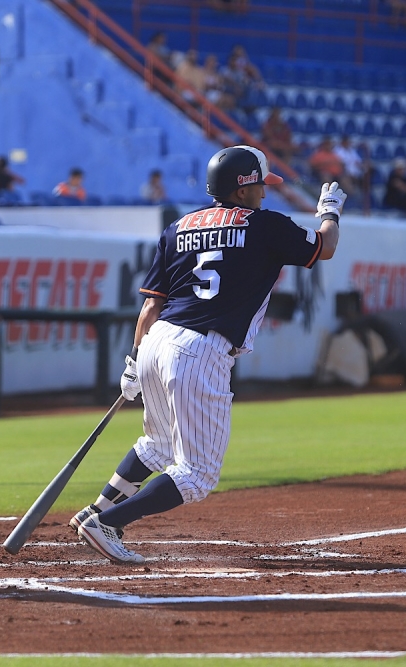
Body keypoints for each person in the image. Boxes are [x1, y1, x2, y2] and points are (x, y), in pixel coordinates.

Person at [69, 145, 342, 564]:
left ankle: (98, 510)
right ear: (242, 187)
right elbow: (323, 248)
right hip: (200, 348)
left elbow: (150, 307)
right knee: (197, 475)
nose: (265, 194)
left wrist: (134, 359)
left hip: (156, 339)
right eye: (260, 186)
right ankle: (107, 523)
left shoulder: (179, 227)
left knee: (158, 444)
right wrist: (330, 213)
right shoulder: (265, 226)